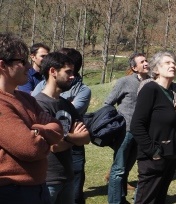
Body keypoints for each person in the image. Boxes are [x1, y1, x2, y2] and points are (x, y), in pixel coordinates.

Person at [0, 32, 63, 203]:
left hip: (38, 188)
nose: (29, 66)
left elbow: (58, 129)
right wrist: (45, 131)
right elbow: (30, 149)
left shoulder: (26, 98)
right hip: (12, 192)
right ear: (2, 66)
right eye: (22, 62)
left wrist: (37, 130)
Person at [31, 48, 92, 204]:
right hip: (48, 180)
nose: (73, 76)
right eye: (68, 72)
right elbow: (55, 146)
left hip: (68, 177)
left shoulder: (65, 104)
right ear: (53, 71)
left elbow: (85, 138)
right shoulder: (39, 104)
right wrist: (71, 136)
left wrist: (61, 135)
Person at [131, 51, 176, 203]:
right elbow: (136, 125)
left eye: (174, 63)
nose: (173, 65)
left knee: (159, 200)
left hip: (170, 157)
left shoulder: (169, 93)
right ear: (155, 69)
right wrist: (153, 151)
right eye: (167, 63)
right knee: (146, 200)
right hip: (154, 159)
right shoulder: (150, 89)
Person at [104, 52, 150, 204]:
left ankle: (121, 198)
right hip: (126, 131)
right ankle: (115, 201)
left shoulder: (152, 83)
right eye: (142, 61)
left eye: (146, 60)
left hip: (143, 132)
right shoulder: (124, 82)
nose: (146, 63)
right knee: (118, 169)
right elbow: (108, 103)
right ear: (134, 67)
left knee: (127, 168)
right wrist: (114, 123)